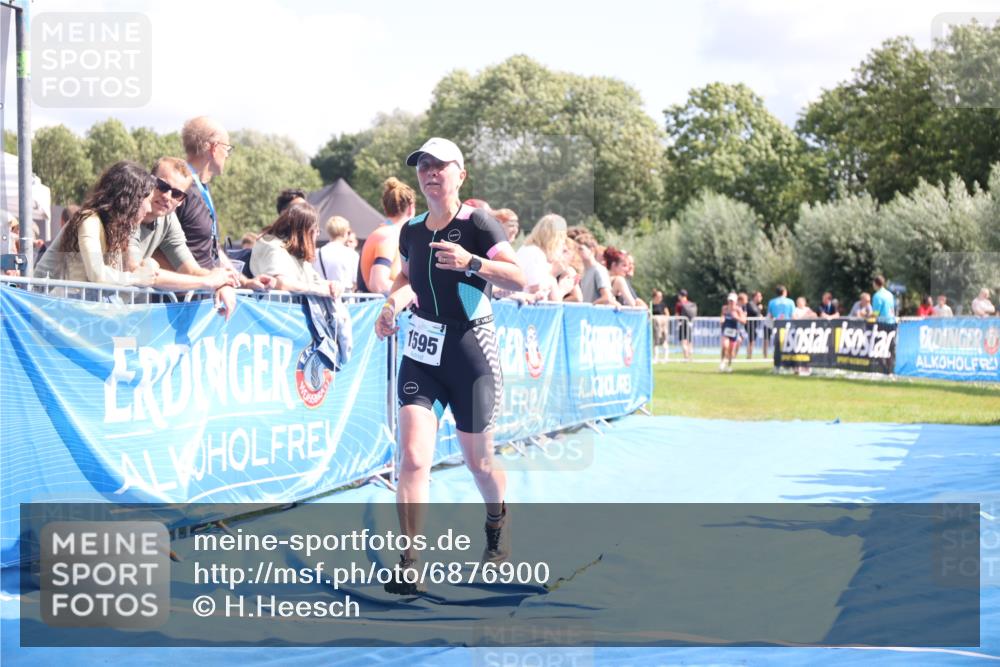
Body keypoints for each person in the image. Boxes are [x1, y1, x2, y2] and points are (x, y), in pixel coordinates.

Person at [374, 138, 525, 593]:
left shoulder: (478, 223)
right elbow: (406, 278)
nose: (430, 172)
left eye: (440, 165)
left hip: (471, 352)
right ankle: (410, 561)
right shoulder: (411, 231)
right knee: (413, 457)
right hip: (423, 355)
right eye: (423, 165)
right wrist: (392, 305)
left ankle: (496, 520)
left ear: (461, 174)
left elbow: (518, 278)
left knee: (479, 463)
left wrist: (471, 262)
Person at [31, 161, 158, 289]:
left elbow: (116, 275)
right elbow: (97, 274)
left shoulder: (114, 228)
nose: (149, 209)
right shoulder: (89, 220)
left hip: (67, 298)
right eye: (149, 201)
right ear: (131, 200)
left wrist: (148, 266)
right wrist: (136, 278)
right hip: (45, 298)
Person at [249, 202, 343, 297]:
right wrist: (318, 290)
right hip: (272, 305)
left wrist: (332, 285)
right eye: (316, 231)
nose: (317, 235)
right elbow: (282, 283)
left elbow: (315, 281)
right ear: (307, 232)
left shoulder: (295, 252)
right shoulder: (273, 247)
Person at [359, 177, 416, 295]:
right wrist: (415, 294)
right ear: (411, 208)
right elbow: (378, 284)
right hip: (382, 305)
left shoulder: (384, 232)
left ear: (385, 208)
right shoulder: (390, 236)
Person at [516, 213, 568, 302]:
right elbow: (536, 292)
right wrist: (554, 276)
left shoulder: (530, 250)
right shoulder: (535, 253)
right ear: (557, 238)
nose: (563, 243)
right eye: (563, 237)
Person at [314, 216, 359, 290]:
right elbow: (355, 282)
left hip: (322, 294)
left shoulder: (317, 253)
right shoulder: (352, 255)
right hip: (346, 295)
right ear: (345, 233)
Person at [575, 231, 614, 305]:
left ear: (592, 250)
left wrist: (590, 306)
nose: (577, 252)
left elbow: (607, 297)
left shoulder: (599, 270)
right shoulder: (583, 272)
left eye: (580, 249)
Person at [719, 293, 746, 373]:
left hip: (734, 332)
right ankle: (722, 362)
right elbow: (722, 316)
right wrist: (722, 319)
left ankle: (729, 365)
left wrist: (736, 317)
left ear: (735, 302)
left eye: (732, 301)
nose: (731, 303)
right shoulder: (724, 308)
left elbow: (744, 321)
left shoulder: (738, 310)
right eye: (730, 301)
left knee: (731, 350)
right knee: (725, 346)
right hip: (726, 331)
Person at [675, 289, 697, 361]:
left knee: (683, 341)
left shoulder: (679, 304)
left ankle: (686, 357)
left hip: (682, 324)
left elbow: (677, 316)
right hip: (689, 324)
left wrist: (677, 321)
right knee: (689, 341)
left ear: (680, 295)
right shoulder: (691, 304)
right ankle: (691, 357)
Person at [651, 289, 669, 363]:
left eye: (661, 296)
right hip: (655, 325)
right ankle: (655, 358)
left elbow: (667, 314)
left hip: (663, 325)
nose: (660, 298)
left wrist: (664, 320)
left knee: (664, 340)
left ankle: (665, 358)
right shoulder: (651, 304)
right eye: (659, 296)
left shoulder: (663, 304)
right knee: (656, 341)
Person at [744, 290, 763, 359]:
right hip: (749, 325)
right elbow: (755, 312)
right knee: (751, 341)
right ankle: (749, 356)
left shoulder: (755, 305)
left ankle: (749, 356)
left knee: (752, 341)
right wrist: (759, 309)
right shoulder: (750, 304)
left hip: (753, 326)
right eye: (759, 296)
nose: (761, 298)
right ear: (755, 297)